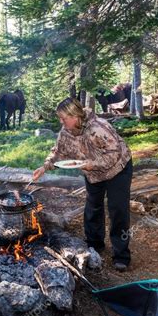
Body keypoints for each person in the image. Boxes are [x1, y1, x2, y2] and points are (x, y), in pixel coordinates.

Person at [32, 97, 133, 271]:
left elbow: (113, 154)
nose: (61, 121)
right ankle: (94, 244)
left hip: (118, 169)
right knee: (93, 206)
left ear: (75, 115)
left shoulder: (98, 128)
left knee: (118, 209)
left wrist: (89, 164)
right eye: (60, 118)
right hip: (93, 173)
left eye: (64, 118)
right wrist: (45, 166)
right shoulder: (66, 131)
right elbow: (58, 151)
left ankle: (121, 255)